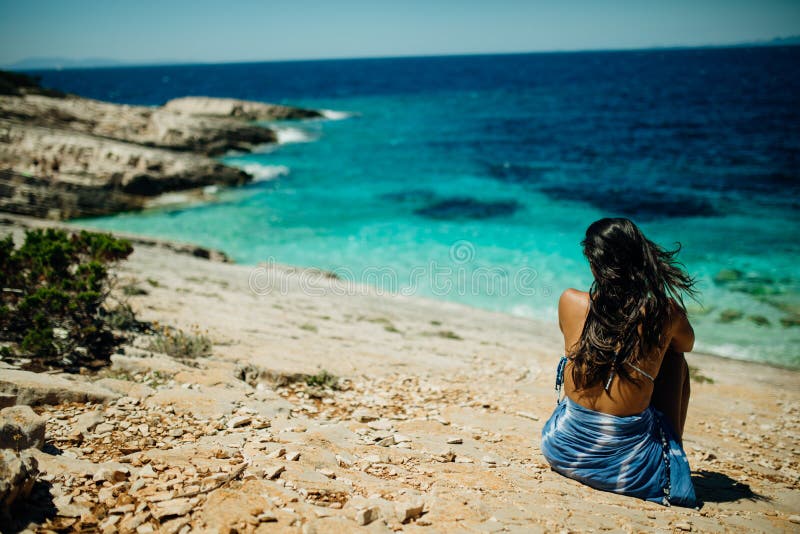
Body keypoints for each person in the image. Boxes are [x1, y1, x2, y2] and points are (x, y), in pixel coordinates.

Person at [540, 217, 698, 507]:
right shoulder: (663, 312)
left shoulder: (570, 301)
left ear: (593, 263)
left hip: (562, 449)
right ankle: (671, 455)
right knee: (675, 359)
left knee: (597, 354)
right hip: (630, 474)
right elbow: (687, 343)